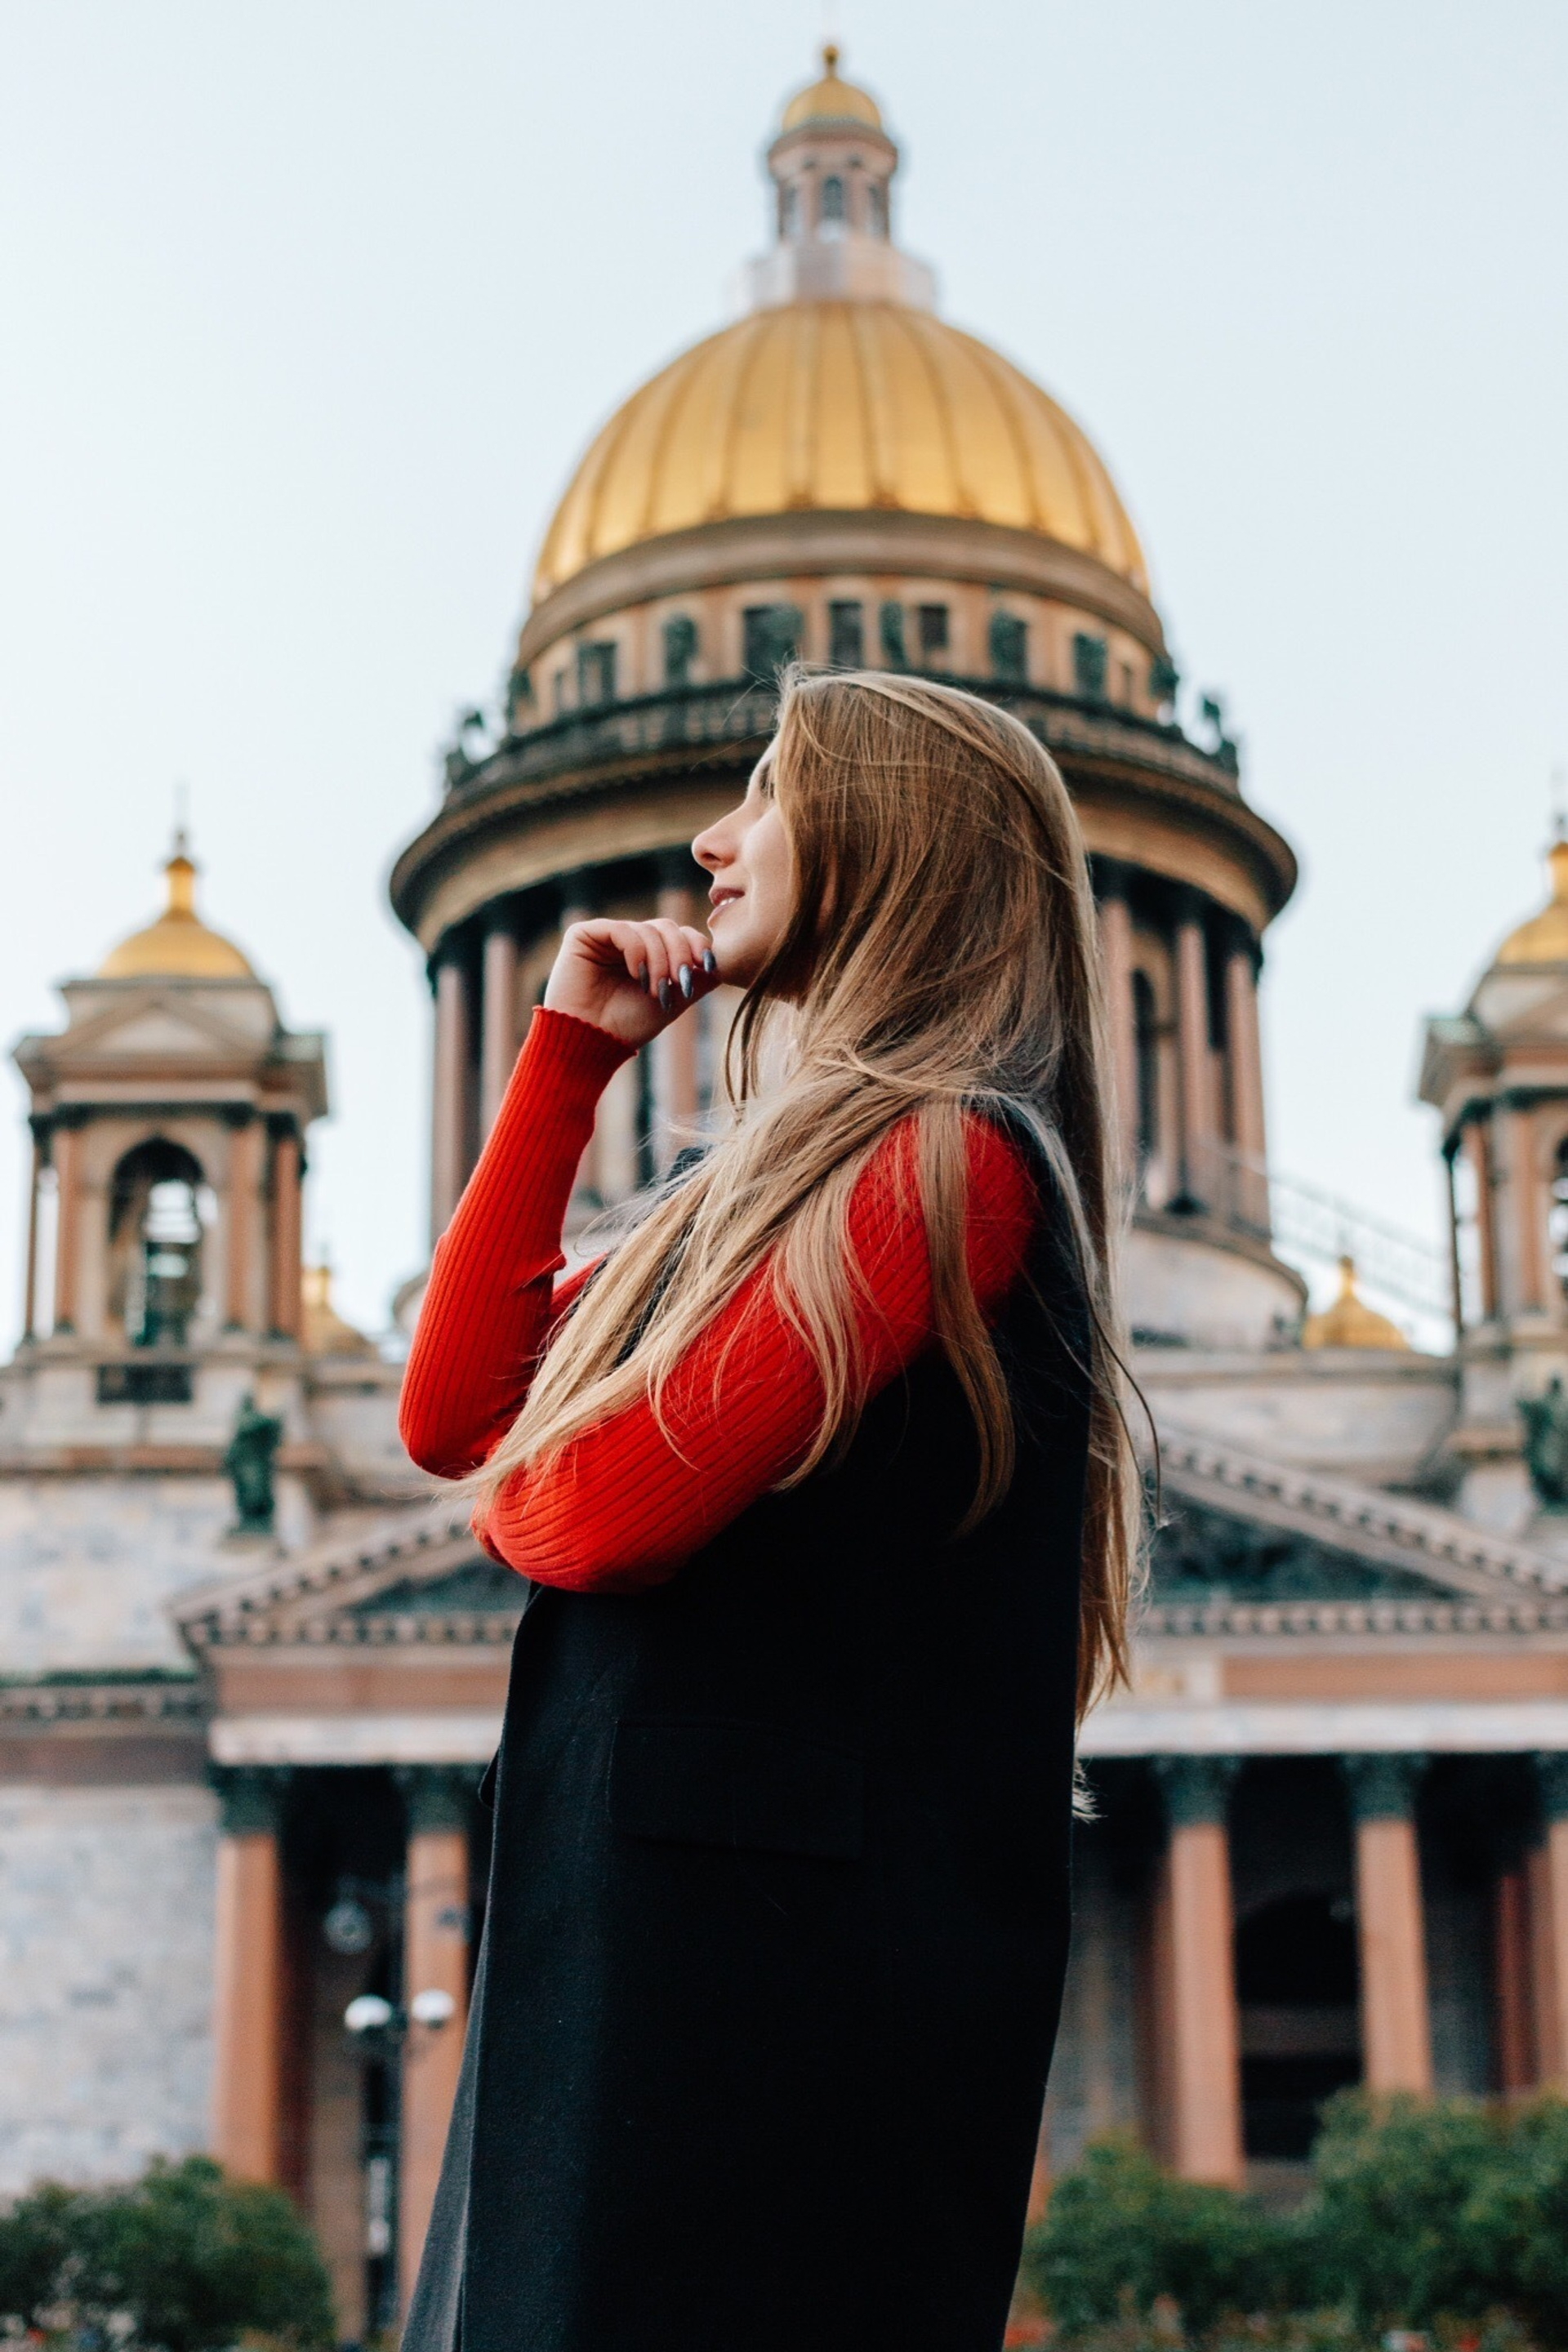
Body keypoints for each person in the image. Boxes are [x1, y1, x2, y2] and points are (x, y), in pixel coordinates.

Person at [398, 667, 1140, 2352]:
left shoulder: (949, 1161)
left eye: (767, 796)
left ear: (887, 838)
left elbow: (598, 1517)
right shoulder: (753, 1198)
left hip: (759, 1996)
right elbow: (450, 1416)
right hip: (658, 1949)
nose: (711, 843)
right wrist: (568, 1062)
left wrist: (529, 1478)